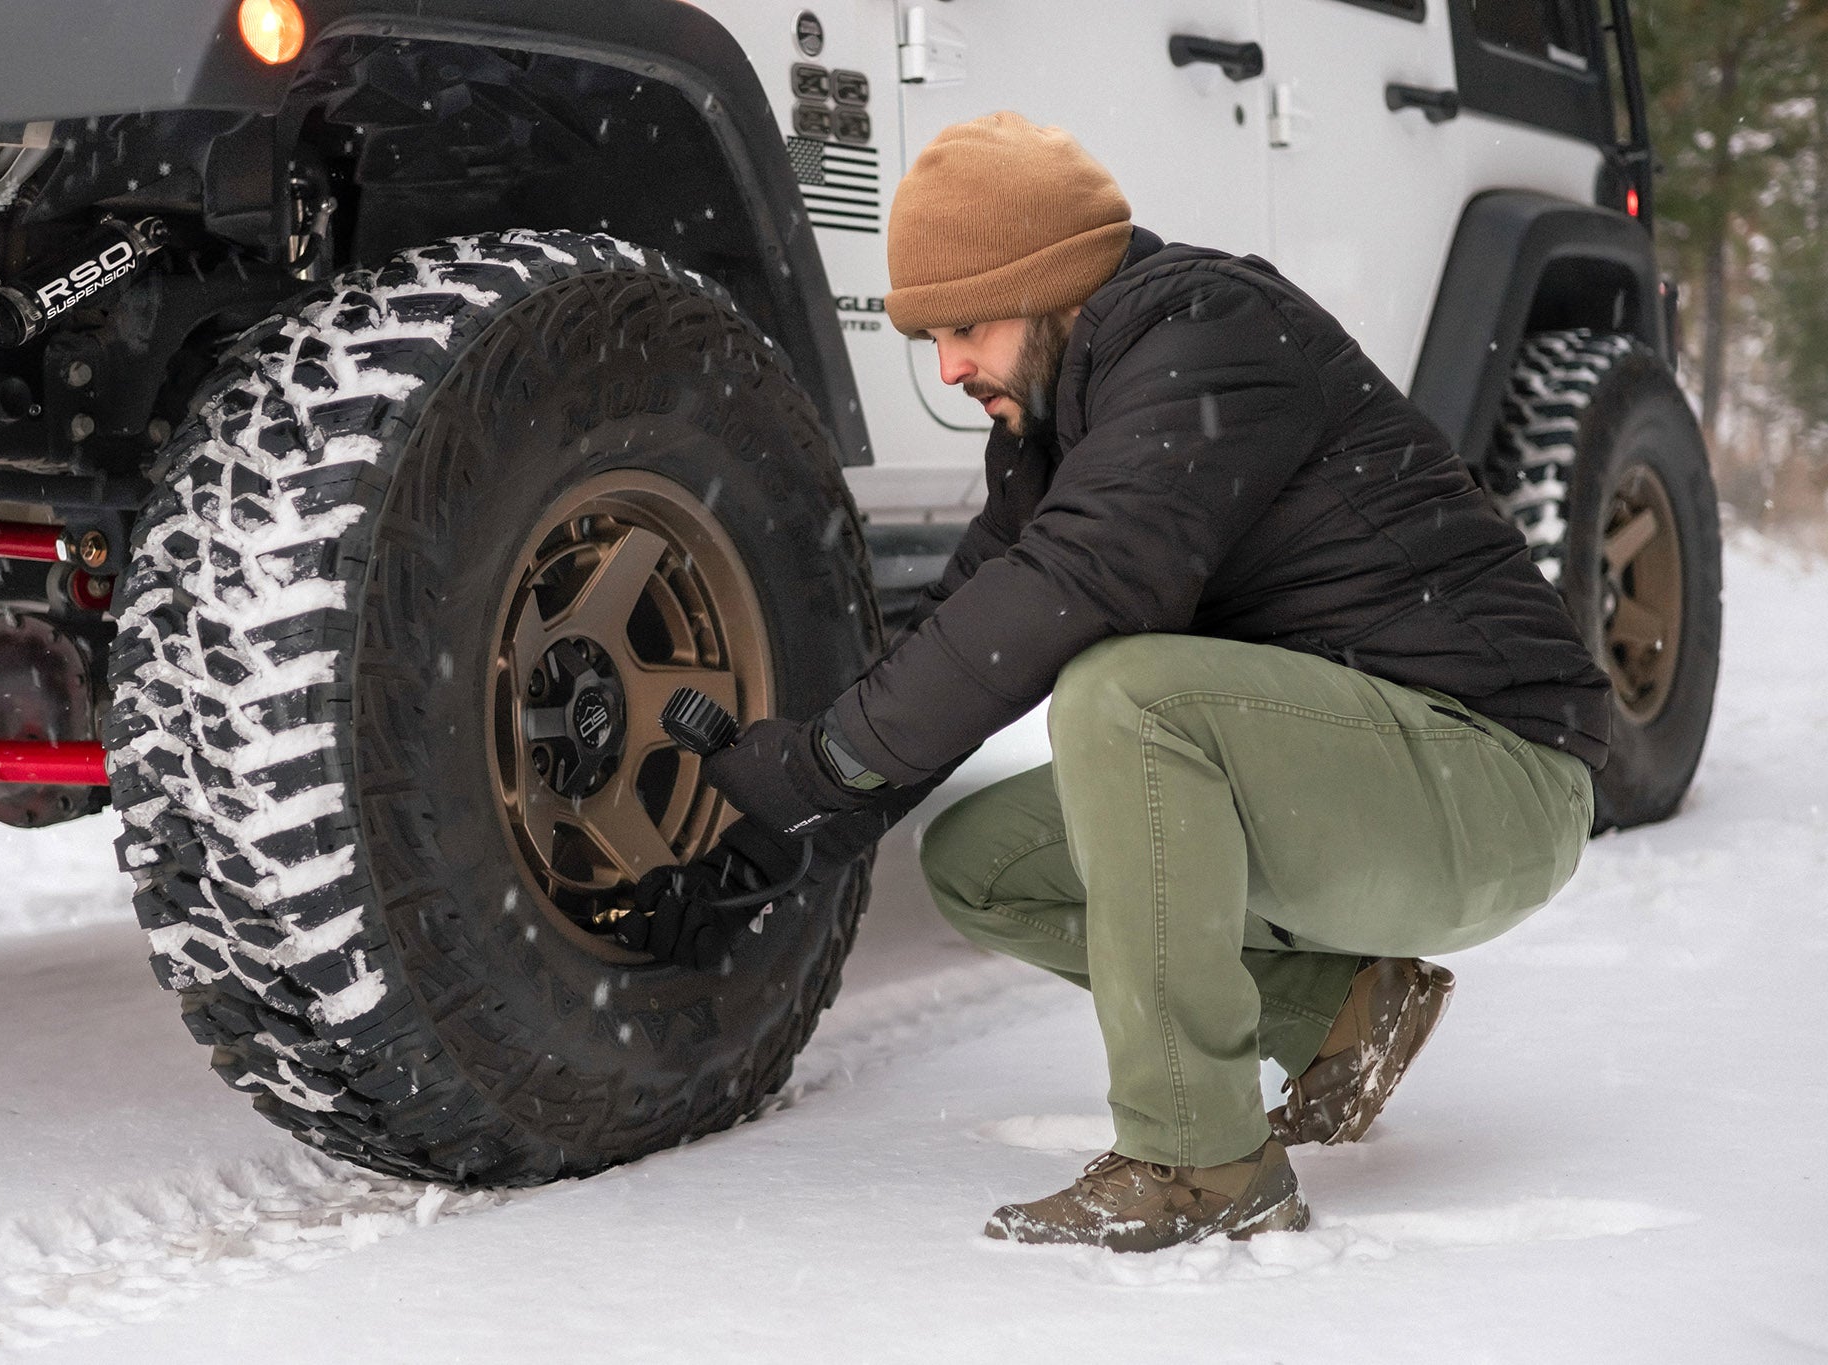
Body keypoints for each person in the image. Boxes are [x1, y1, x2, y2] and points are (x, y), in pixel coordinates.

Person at [615, 111, 1606, 1254]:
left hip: (1493, 778)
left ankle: (1201, 1162)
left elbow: (1080, 581)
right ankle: (1341, 1014)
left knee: (1126, 698)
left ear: (1050, 286)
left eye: (965, 327)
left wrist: (825, 761)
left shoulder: (1212, 335)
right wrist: (766, 847)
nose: (947, 368)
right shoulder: (1058, 426)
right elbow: (954, 648)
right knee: (978, 866)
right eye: (929, 338)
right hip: (1360, 772)